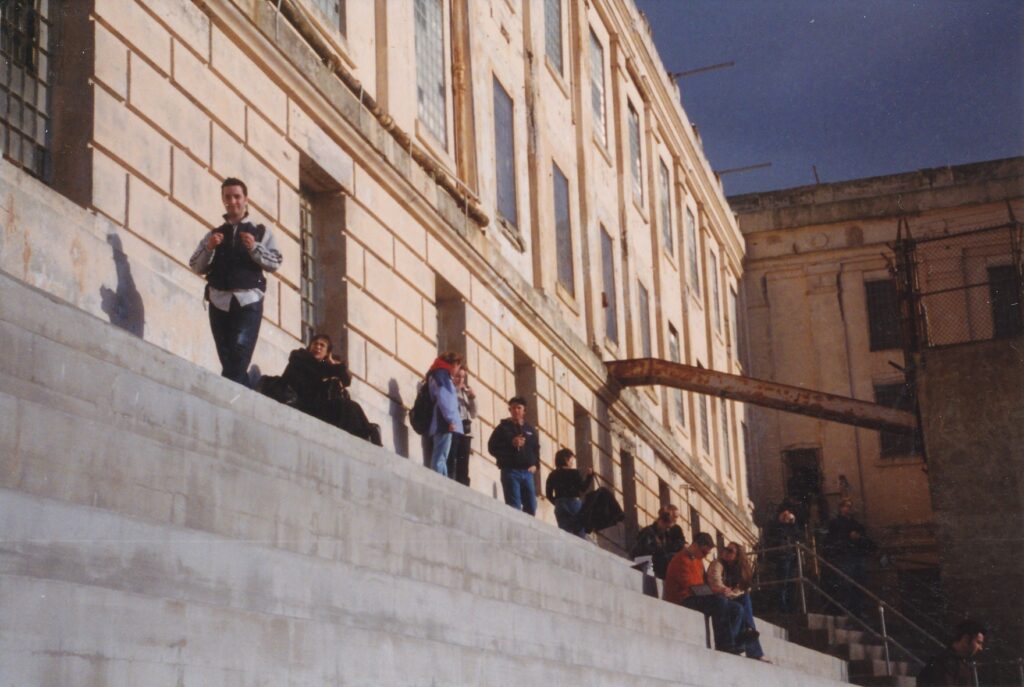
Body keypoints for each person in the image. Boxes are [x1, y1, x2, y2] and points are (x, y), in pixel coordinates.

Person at [189, 178, 282, 386]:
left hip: (248, 301)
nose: (233, 201)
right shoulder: (214, 234)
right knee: (228, 359)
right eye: (228, 197)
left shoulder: (260, 231)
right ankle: (241, 397)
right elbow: (195, 265)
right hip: (219, 301)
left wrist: (255, 248)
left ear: (245, 199)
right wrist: (209, 248)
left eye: (237, 196)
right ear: (223, 200)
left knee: (239, 355)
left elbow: (276, 262)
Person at [277, 334, 378, 443]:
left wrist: (332, 361)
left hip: (317, 404)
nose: (318, 347)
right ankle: (367, 433)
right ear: (310, 346)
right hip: (303, 401)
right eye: (315, 344)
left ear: (327, 352)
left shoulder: (324, 366)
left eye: (322, 345)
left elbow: (346, 381)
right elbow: (311, 375)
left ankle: (368, 433)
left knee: (352, 407)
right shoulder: (301, 358)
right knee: (347, 407)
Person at [663, 532, 748, 654]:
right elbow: (693, 589)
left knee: (737, 608)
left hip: (695, 596)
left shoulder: (698, 560)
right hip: (684, 599)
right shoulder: (681, 559)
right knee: (719, 601)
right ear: (696, 546)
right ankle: (724, 645)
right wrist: (717, 591)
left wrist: (719, 591)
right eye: (703, 552)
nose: (704, 556)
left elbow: (702, 585)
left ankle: (733, 642)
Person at [708, 542, 768, 661]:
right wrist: (725, 590)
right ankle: (750, 643)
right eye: (725, 548)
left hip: (728, 597)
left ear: (737, 556)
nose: (725, 551)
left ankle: (748, 632)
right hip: (715, 596)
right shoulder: (717, 564)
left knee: (745, 599)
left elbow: (740, 590)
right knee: (739, 607)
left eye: (730, 551)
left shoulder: (739, 571)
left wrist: (730, 593)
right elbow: (715, 583)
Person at [487, 396, 540, 515]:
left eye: (519, 408)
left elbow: (536, 449)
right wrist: (511, 443)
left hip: (527, 472)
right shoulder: (502, 428)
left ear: (524, 410)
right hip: (510, 471)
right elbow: (492, 447)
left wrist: (536, 465)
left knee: (531, 505)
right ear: (509, 410)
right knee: (514, 506)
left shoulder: (530, 429)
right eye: (513, 408)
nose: (516, 410)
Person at [824, 498, 875, 618]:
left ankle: (858, 609)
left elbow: (863, 537)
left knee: (859, 583)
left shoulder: (855, 524)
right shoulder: (835, 523)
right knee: (846, 584)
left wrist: (858, 538)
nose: (849, 509)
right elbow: (832, 540)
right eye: (846, 506)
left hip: (856, 555)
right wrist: (848, 537)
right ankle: (847, 610)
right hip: (845, 557)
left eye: (850, 506)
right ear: (841, 508)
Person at [425, 352, 463, 478]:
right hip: (443, 421)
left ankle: (443, 479)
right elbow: (445, 398)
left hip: (442, 420)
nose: (458, 371)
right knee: (441, 455)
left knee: (442, 455)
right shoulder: (442, 376)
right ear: (453, 364)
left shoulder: (437, 374)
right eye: (458, 366)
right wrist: (451, 420)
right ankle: (439, 481)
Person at [916, 620, 986, 686]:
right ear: (966, 639)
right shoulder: (943, 663)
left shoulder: (961, 664)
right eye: (978, 642)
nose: (980, 648)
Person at [544, 448, 595, 537]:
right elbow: (583, 488)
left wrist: (557, 502)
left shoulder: (552, 474)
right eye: (571, 460)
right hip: (573, 503)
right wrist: (590, 476)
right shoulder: (574, 473)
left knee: (565, 534)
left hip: (559, 504)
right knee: (580, 531)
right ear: (566, 460)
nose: (572, 462)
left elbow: (548, 494)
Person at [764, 503, 803, 613]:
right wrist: (782, 524)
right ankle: (782, 607)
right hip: (780, 556)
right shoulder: (774, 524)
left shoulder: (790, 525)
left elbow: (798, 536)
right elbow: (771, 539)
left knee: (791, 583)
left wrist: (793, 523)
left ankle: (791, 607)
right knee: (783, 583)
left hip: (790, 556)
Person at [630, 505, 687, 579]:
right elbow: (641, 554)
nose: (667, 529)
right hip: (647, 564)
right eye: (667, 527)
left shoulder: (667, 534)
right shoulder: (648, 532)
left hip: (658, 566)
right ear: (663, 521)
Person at [446, 367, 477, 486]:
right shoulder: (449, 389)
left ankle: (463, 485)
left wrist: (472, 398)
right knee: (451, 458)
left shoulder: (466, 392)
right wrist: (455, 390)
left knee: (464, 463)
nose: (460, 379)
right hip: (454, 428)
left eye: (463, 377)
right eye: (458, 376)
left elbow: (474, 414)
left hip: (466, 431)